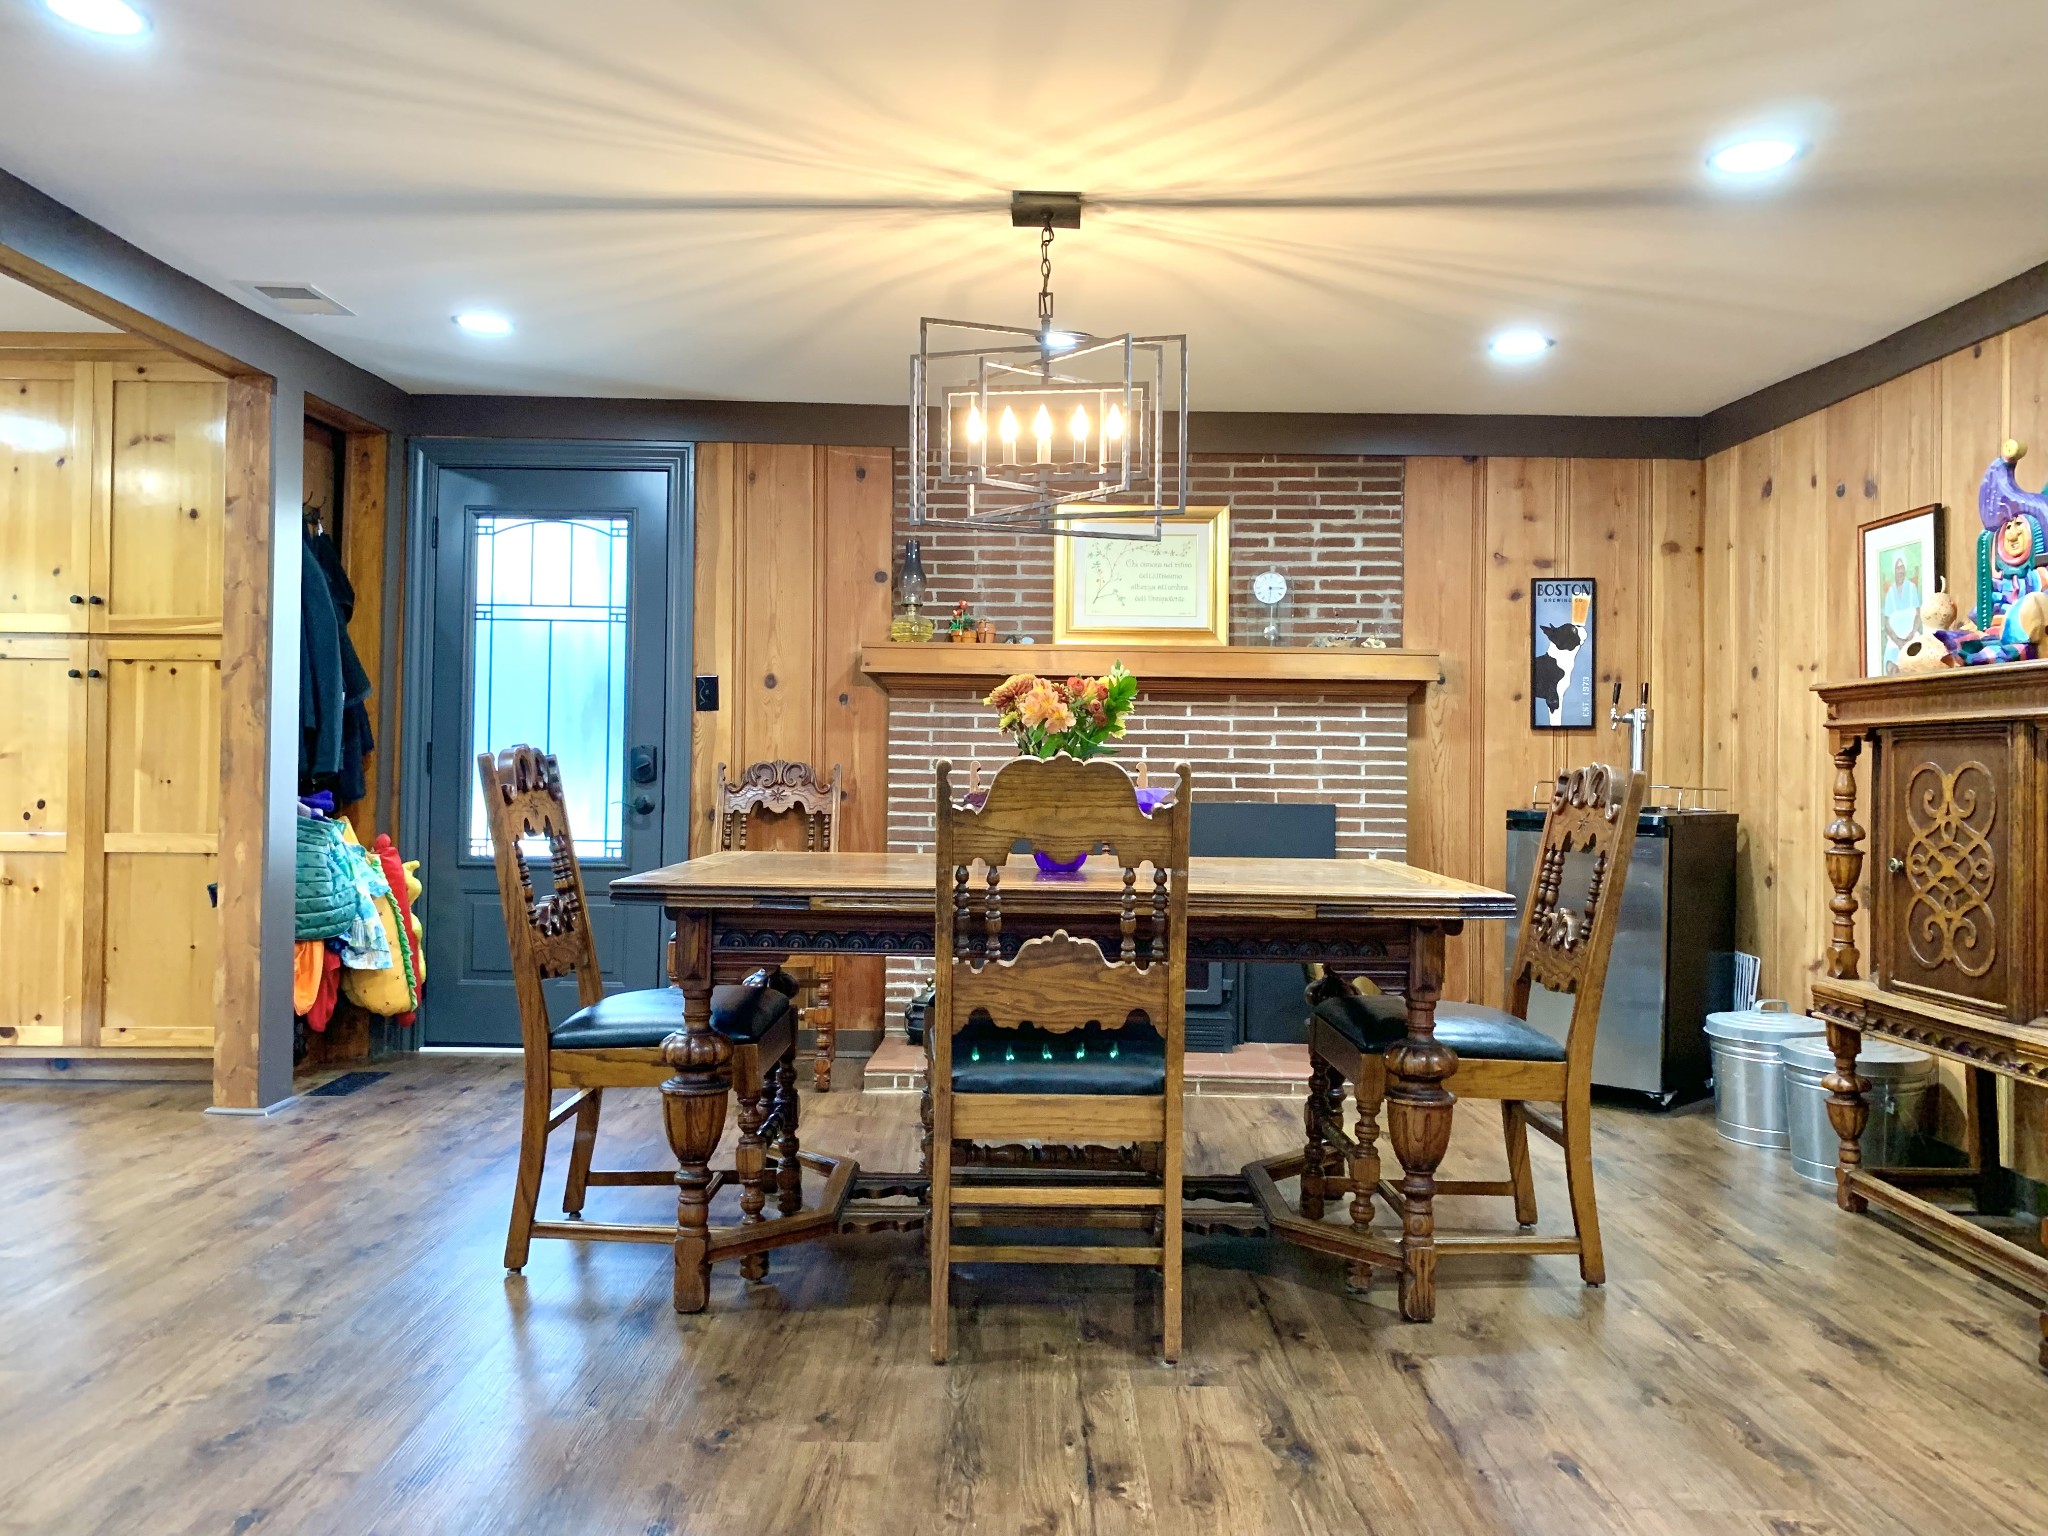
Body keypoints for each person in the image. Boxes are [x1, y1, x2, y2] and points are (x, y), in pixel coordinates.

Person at [1881, 553, 1922, 674]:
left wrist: (1912, 633)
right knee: (1890, 667)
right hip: (1895, 641)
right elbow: (1887, 624)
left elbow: (1918, 615)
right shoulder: (1890, 593)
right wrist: (1898, 642)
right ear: (1894, 571)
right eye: (1898, 568)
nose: (1900, 571)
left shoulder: (1912, 588)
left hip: (1911, 637)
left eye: (1902, 567)